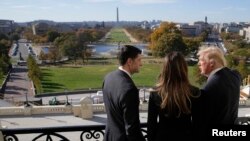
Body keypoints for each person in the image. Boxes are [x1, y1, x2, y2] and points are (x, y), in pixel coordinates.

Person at [147, 51, 201, 140]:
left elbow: (151, 125)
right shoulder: (194, 92)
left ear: (165, 69)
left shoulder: (155, 93)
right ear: (184, 68)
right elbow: (198, 125)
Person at [102, 45, 145, 141]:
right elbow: (132, 129)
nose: (141, 64)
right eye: (139, 60)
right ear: (129, 61)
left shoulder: (108, 77)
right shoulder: (130, 90)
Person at [197, 46, 241, 136]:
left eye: (201, 60)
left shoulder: (210, 87)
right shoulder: (236, 76)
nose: (199, 64)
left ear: (212, 63)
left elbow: (204, 119)